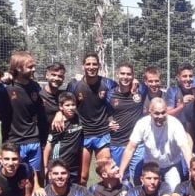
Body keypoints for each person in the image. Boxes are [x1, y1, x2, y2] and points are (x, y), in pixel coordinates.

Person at [0, 51, 47, 193]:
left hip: (33, 140)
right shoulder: (6, 88)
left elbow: (42, 113)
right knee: (13, 181)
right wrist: (2, 80)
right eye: (30, 67)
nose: (33, 69)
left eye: (33, 66)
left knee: (34, 180)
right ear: (18, 68)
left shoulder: (35, 87)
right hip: (14, 141)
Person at [118, 97, 193, 190]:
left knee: (173, 190)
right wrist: (121, 171)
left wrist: (191, 169)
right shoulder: (142, 123)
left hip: (171, 165)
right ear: (150, 112)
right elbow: (131, 148)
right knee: (145, 191)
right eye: (157, 113)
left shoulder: (175, 124)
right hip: (150, 165)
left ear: (167, 111)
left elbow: (185, 147)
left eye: (163, 112)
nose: (160, 116)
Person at [66, 52, 118, 183]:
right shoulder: (74, 86)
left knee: (107, 173)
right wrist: (59, 115)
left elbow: (120, 99)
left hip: (103, 134)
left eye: (94, 64)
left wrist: (112, 121)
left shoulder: (108, 84)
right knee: (83, 177)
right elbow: (66, 105)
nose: (91, 67)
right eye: (88, 64)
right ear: (83, 66)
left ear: (99, 66)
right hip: (83, 135)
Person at [108, 63, 145, 183]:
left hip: (137, 144)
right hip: (118, 142)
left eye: (129, 74)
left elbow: (154, 87)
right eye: (122, 73)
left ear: (133, 76)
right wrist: (108, 122)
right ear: (117, 74)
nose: (125, 77)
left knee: (140, 177)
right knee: (121, 178)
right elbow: (101, 112)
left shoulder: (141, 90)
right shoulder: (110, 94)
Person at [43, 92, 83, 181]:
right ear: (61, 107)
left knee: (71, 191)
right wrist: (45, 166)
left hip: (74, 165)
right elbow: (48, 146)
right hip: (58, 164)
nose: (71, 108)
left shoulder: (79, 119)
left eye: (73, 105)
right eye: (67, 105)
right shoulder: (58, 125)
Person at [39, 62, 66, 142]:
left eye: (60, 76)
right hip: (43, 141)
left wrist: (60, 112)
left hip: (61, 142)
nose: (56, 78)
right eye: (53, 75)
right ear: (47, 75)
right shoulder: (39, 96)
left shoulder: (64, 96)